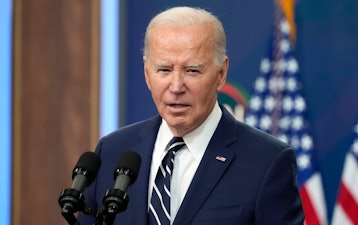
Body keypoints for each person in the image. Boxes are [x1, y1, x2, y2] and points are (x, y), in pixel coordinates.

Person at [78, 6, 304, 225]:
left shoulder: (267, 161)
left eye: (192, 71)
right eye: (164, 70)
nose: (176, 86)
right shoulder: (112, 151)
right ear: (147, 73)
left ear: (221, 73)